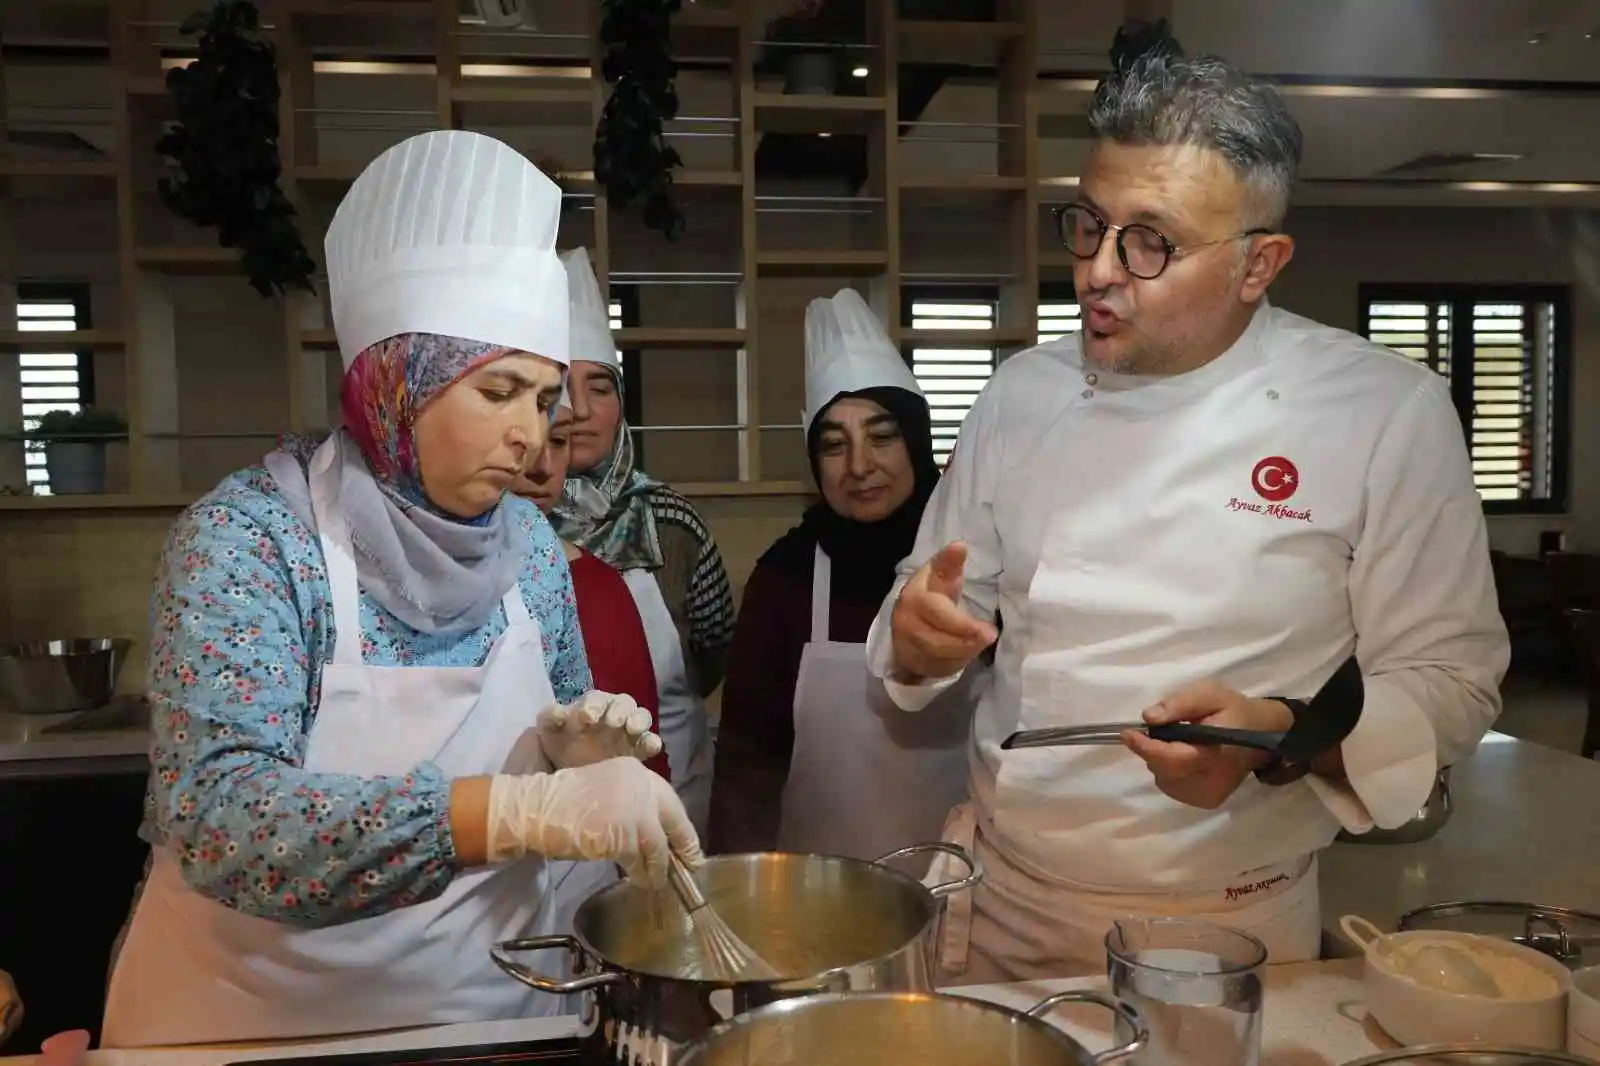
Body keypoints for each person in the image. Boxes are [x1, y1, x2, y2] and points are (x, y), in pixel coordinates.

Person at [867, 40, 1509, 983]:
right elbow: (923, 606)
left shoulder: (1383, 413)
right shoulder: (1019, 394)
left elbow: (1454, 681)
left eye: (1150, 242)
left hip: (1224, 929)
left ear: (1260, 265)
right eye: (1087, 225)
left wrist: (1278, 738)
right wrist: (916, 640)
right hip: (1007, 906)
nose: (1096, 272)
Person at [100, 130, 700, 1047]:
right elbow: (220, 820)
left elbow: (556, 773)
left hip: (494, 1017)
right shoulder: (252, 542)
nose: (531, 440)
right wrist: (512, 809)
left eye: (543, 401)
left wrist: (570, 758)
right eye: (497, 391)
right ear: (394, 383)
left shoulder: (530, 547)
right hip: (257, 1025)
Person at [708, 289, 975, 860]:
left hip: (967, 887)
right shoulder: (786, 579)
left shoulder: (974, 564)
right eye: (835, 445)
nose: (860, 466)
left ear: (916, 440)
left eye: (882, 437)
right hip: (822, 895)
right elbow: (746, 762)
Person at [550, 248, 734, 835]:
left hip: (673, 788)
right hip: (550, 806)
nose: (577, 410)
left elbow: (711, 653)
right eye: (557, 385)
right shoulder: (503, 521)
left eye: (598, 388)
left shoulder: (673, 522)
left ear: (621, 405)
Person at [513, 386, 671, 782]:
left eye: (559, 440)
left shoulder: (598, 586)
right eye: (520, 438)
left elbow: (645, 758)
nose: (543, 466)